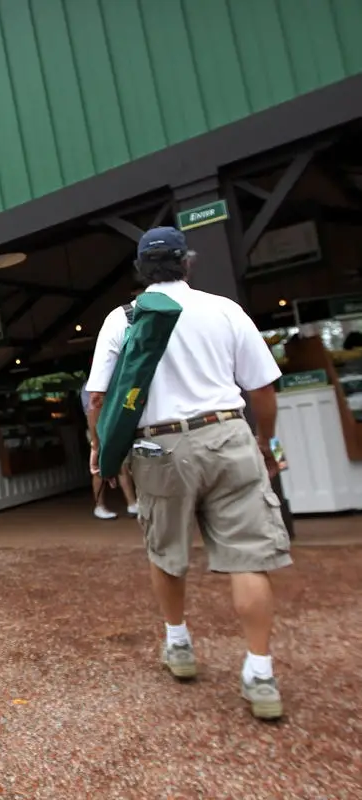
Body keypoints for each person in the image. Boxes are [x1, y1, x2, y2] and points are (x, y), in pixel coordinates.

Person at [85, 226, 291, 721]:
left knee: (166, 550)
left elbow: (97, 397)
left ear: (140, 270)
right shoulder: (224, 309)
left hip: (158, 447)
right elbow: (262, 389)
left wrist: (101, 448)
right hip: (227, 435)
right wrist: (266, 443)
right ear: (187, 264)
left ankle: (178, 644)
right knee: (249, 557)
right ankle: (260, 673)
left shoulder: (123, 318)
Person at [80, 384, 137, 519]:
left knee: (122, 465)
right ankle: (99, 506)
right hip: (99, 431)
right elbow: (92, 414)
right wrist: (95, 441)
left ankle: (132, 504)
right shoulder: (91, 386)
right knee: (99, 469)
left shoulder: (111, 382)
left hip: (111, 430)